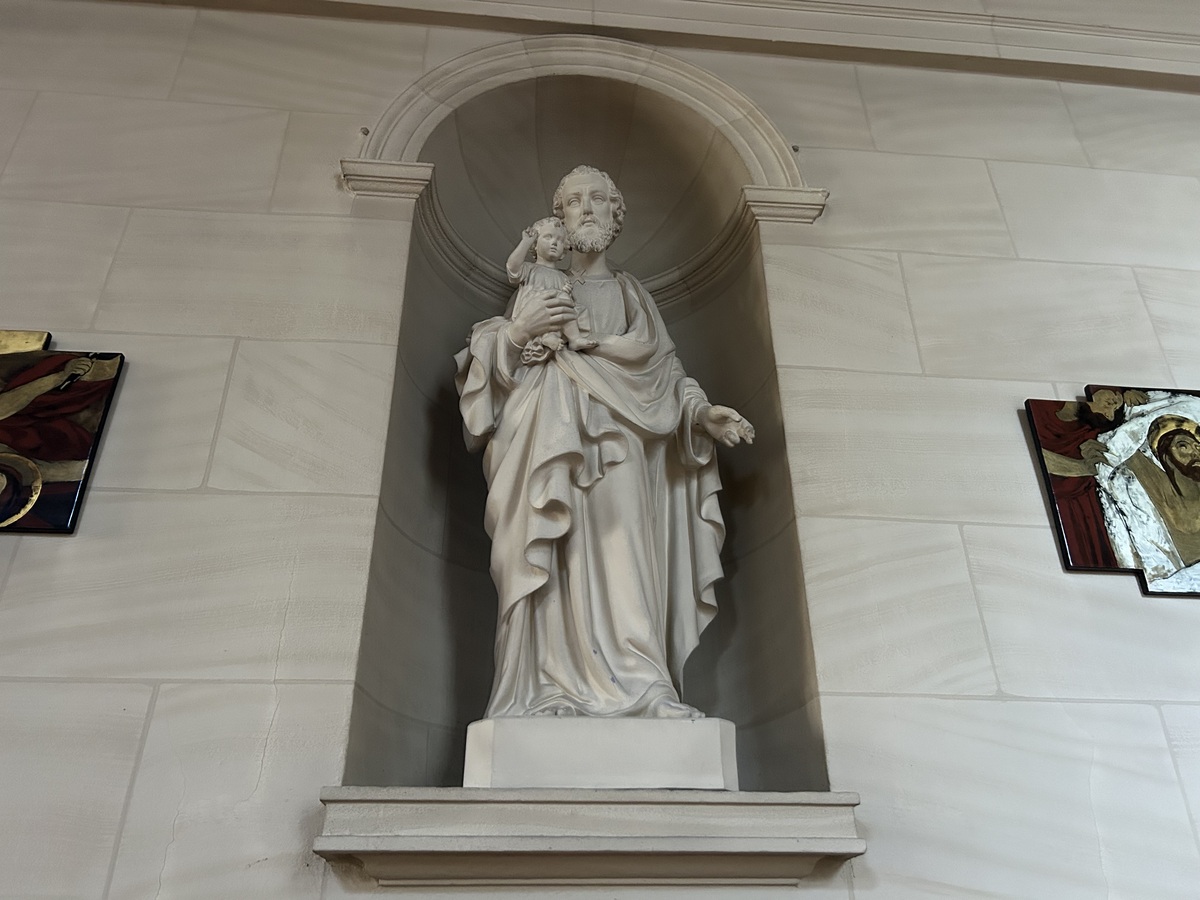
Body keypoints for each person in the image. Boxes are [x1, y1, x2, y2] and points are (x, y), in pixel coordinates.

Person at [455, 165, 753, 719]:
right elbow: (492, 375)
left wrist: (700, 413)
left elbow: (663, 374)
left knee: (626, 557)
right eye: (573, 201)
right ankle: (547, 688)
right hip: (546, 442)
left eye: (597, 199)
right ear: (559, 218)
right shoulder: (539, 284)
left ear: (616, 215)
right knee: (549, 552)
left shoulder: (631, 295)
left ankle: (645, 686)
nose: (586, 208)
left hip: (623, 451)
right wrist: (519, 334)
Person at [1028, 389, 1139, 568]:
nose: (1112, 409)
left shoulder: (1089, 432)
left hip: (1081, 503)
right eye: (1116, 403)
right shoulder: (1043, 410)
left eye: (1111, 413)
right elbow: (1034, 455)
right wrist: (1127, 393)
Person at [504, 216, 596, 357]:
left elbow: (568, 301)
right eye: (548, 237)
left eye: (560, 240)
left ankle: (573, 339)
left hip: (555, 312)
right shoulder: (529, 269)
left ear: (564, 250)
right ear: (535, 244)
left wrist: (566, 293)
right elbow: (512, 267)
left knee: (568, 305)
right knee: (549, 306)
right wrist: (525, 243)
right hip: (533, 311)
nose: (554, 243)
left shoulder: (563, 277)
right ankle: (544, 337)